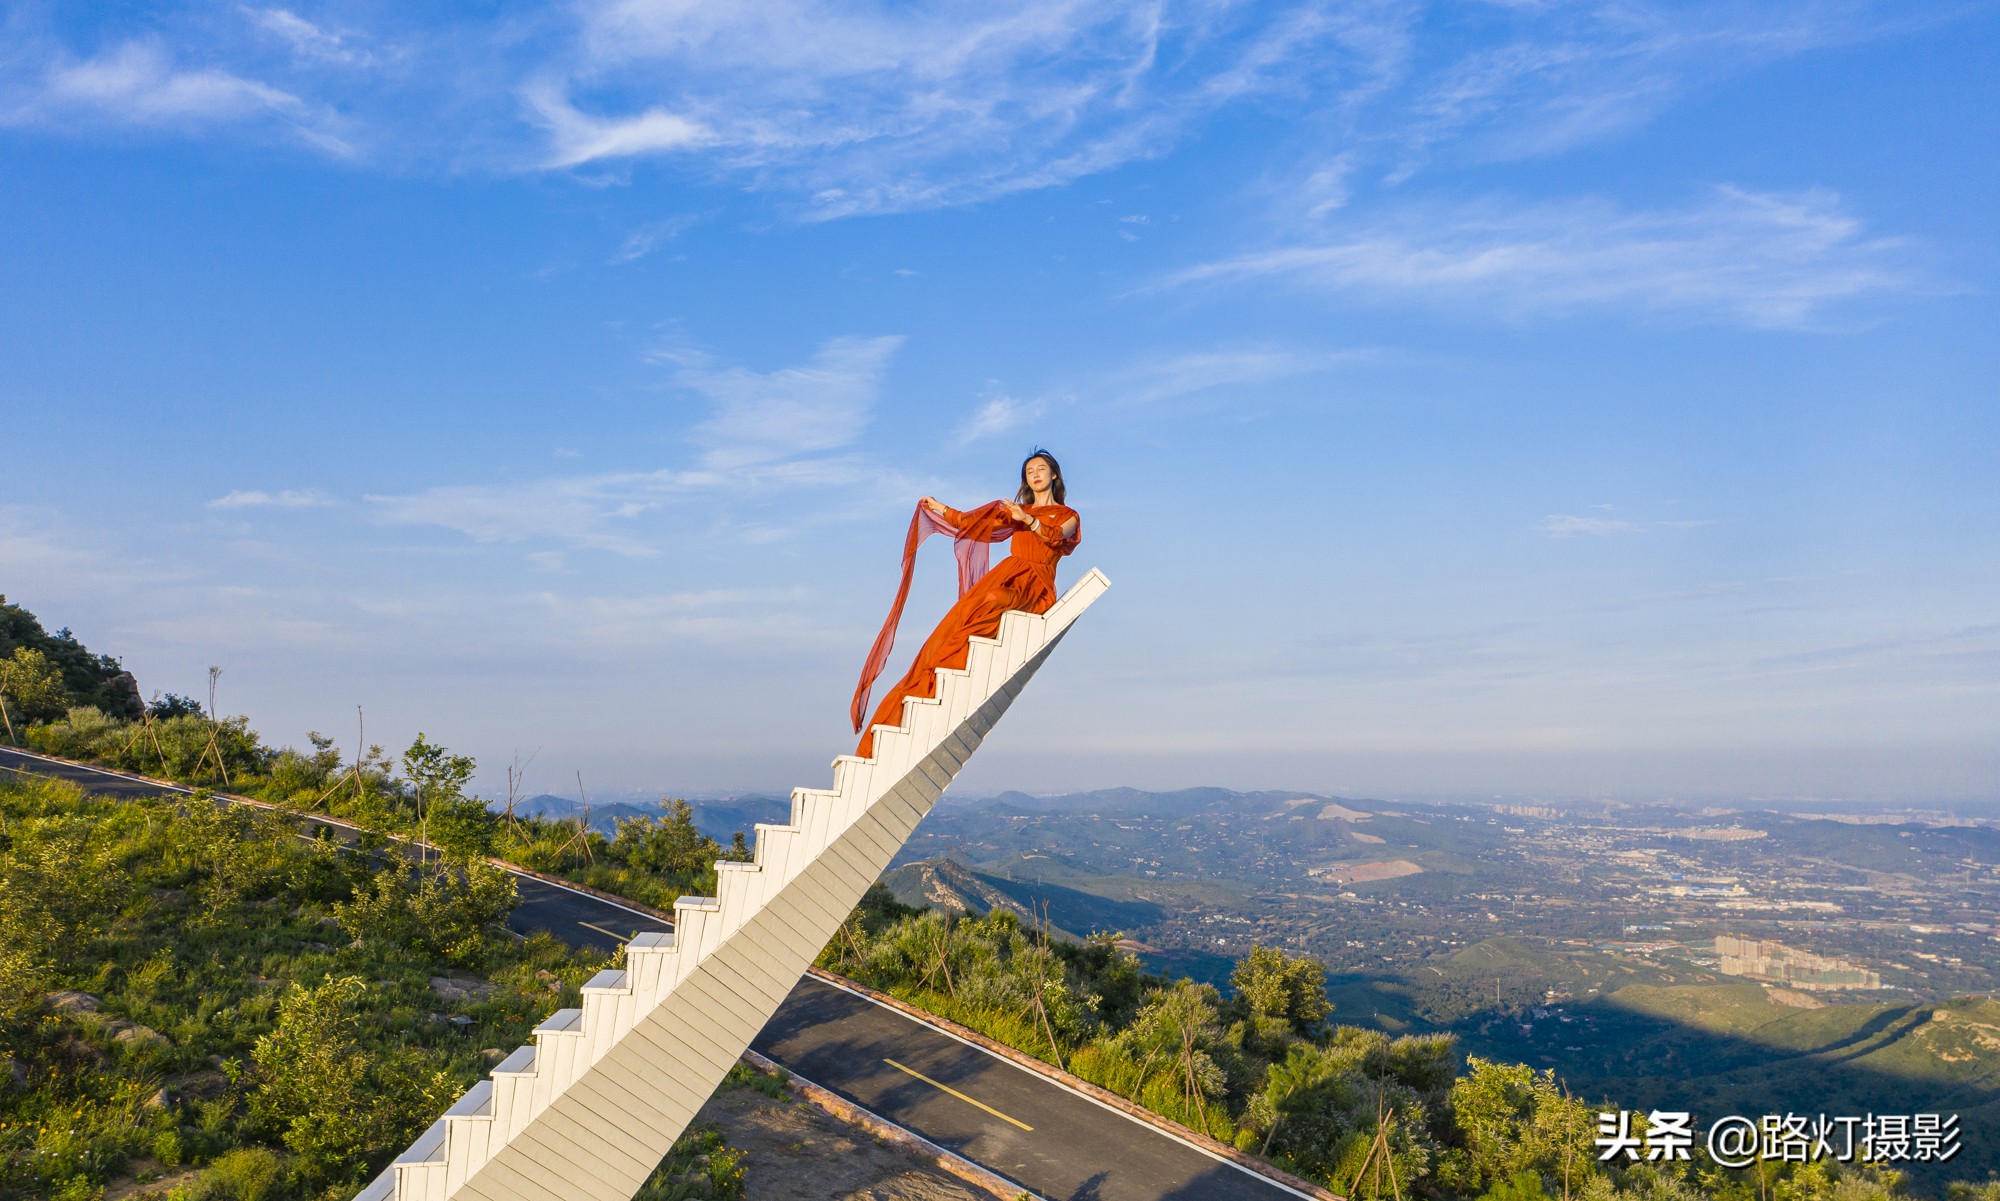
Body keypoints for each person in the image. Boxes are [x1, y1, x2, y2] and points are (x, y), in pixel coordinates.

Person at [851, 450, 1081, 758]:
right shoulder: (1017, 511)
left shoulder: (1068, 515)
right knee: (958, 620)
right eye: (1029, 471)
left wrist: (1028, 521)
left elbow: (1057, 538)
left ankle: (961, 658)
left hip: (1035, 583)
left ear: (1054, 475)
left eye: (1041, 469)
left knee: (993, 599)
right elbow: (970, 522)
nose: (1035, 474)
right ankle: (939, 673)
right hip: (1007, 574)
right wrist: (939, 508)